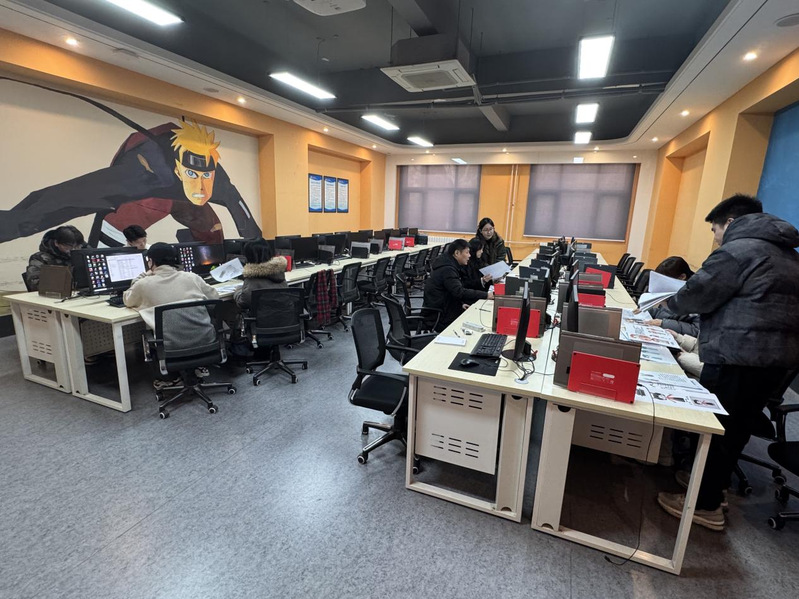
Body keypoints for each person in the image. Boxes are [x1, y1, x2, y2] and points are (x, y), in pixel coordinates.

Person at [655, 194, 799, 531]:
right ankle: (711, 488)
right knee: (735, 429)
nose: (716, 238)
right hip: (774, 362)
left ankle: (704, 505)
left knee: (716, 427)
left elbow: (697, 294)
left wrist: (666, 305)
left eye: (715, 230)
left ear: (730, 222)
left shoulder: (738, 250)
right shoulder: (786, 253)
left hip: (738, 354)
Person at [423, 239, 494, 332]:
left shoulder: (450, 265)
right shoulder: (447, 269)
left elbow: (452, 290)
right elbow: (459, 291)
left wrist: (461, 304)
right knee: (475, 319)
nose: (469, 255)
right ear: (457, 253)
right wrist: (486, 295)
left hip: (445, 307)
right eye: (467, 252)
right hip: (439, 315)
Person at [643, 256, 700, 336]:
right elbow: (664, 312)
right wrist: (646, 309)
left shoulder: (698, 297)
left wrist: (663, 323)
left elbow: (696, 330)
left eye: (666, 282)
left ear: (682, 277)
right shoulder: (675, 291)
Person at [25, 225, 85, 291]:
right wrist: (72, 285)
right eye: (68, 246)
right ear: (56, 243)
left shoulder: (80, 253)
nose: (73, 249)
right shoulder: (40, 258)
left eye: (77, 246)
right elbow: (35, 284)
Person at [234, 239, 288, 310]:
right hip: (284, 315)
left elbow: (243, 303)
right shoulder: (279, 272)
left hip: (263, 316)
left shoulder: (252, 278)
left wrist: (237, 291)